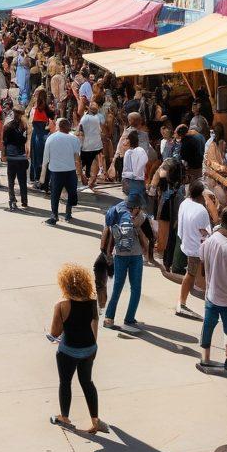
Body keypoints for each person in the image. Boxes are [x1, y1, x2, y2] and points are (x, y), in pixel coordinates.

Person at [48, 263, 106, 435]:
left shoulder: (62, 304)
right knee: (87, 382)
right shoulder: (92, 301)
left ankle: (64, 417)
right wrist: (93, 346)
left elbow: (54, 332)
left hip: (68, 350)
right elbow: (95, 324)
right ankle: (95, 420)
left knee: (65, 382)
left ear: (64, 284)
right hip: (89, 348)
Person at [198, 209, 227, 372]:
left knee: (208, 327)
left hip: (212, 295)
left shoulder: (210, 240)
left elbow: (202, 259)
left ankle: (205, 358)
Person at [102, 193, 150, 332]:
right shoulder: (141, 217)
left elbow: (108, 231)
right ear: (137, 207)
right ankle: (127, 319)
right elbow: (148, 238)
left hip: (121, 256)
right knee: (135, 289)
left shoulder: (115, 212)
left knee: (119, 288)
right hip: (133, 256)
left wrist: (108, 252)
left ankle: (110, 318)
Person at [176, 180, 211, 319]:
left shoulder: (184, 203)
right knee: (191, 274)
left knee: (191, 274)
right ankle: (181, 303)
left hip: (187, 242)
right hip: (196, 248)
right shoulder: (201, 210)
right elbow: (205, 232)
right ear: (201, 194)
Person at [41, 118, 82, 225]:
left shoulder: (51, 138)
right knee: (71, 193)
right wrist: (81, 174)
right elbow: (77, 158)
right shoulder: (74, 139)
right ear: (68, 127)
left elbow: (45, 157)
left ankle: (54, 215)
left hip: (56, 171)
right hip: (70, 171)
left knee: (55, 194)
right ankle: (68, 214)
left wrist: (43, 175)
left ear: (59, 126)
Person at [2, 109, 30, 210]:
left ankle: (12, 200)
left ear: (13, 114)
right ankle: (24, 201)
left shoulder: (8, 126)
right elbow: (26, 141)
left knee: (11, 180)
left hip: (11, 156)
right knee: (22, 180)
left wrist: (3, 155)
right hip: (21, 157)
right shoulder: (24, 127)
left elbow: (4, 142)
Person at [77, 102, 104, 191]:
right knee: (95, 161)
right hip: (97, 144)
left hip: (86, 145)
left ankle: (84, 178)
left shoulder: (84, 118)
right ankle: (92, 180)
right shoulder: (97, 118)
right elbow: (100, 131)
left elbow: (80, 132)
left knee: (83, 163)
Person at [28, 87, 51, 189]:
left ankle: (36, 179)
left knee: (35, 157)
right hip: (45, 135)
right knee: (44, 158)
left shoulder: (34, 109)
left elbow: (29, 122)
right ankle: (44, 180)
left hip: (36, 135)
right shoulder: (48, 109)